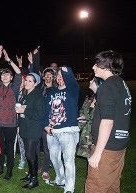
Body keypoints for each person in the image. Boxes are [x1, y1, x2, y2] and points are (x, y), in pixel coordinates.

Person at [85, 50, 132, 193]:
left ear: (106, 66)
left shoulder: (107, 86)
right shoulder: (120, 83)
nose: (93, 67)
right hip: (119, 144)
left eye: (97, 64)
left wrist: (98, 153)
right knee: (112, 186)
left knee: (95, 188)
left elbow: (107, 122)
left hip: (107, 148)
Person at [43, 66, 80, 193]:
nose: (59, 78)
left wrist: (66, 70)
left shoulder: (72, 91)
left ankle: (69, 188)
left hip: (68, 131)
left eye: (62, 75)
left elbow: (71, 79)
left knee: (68, 161)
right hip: (52, 131)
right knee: (54, 158)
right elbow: (46, 111)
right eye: (57, 76)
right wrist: (45, 125)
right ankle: (60, 179)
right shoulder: (51, 92)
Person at [0, 45, 21, 180]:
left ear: (11, 77)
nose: (5, 76)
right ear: (1, 77)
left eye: (7, 74)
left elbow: (19, 73)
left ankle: (9, 170)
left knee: (9, 148)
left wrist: (9, 60)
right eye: (3, 74)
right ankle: (0, 168)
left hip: (11, 124)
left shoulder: (14, 88)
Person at [16, 72, 45, 189]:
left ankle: (34, 180)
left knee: (29, 153)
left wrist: (24, 111)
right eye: (26, 80)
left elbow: (40, 114)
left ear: (36, 83)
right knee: (31, 153)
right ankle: (30, 174)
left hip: (33, 129)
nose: (26, 83)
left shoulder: (38, 95)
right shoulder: (26, 94)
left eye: (30, 81)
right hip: (25, 128)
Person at [76, 77, 103, 159]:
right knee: (89, 158)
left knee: (96, 159)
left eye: (93, 80)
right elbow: (82, 111)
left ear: (99, 84)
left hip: (97, 135)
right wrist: (82, 117)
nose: (90, 81)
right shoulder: (88, 98)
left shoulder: (104, 100)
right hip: (86, 134)